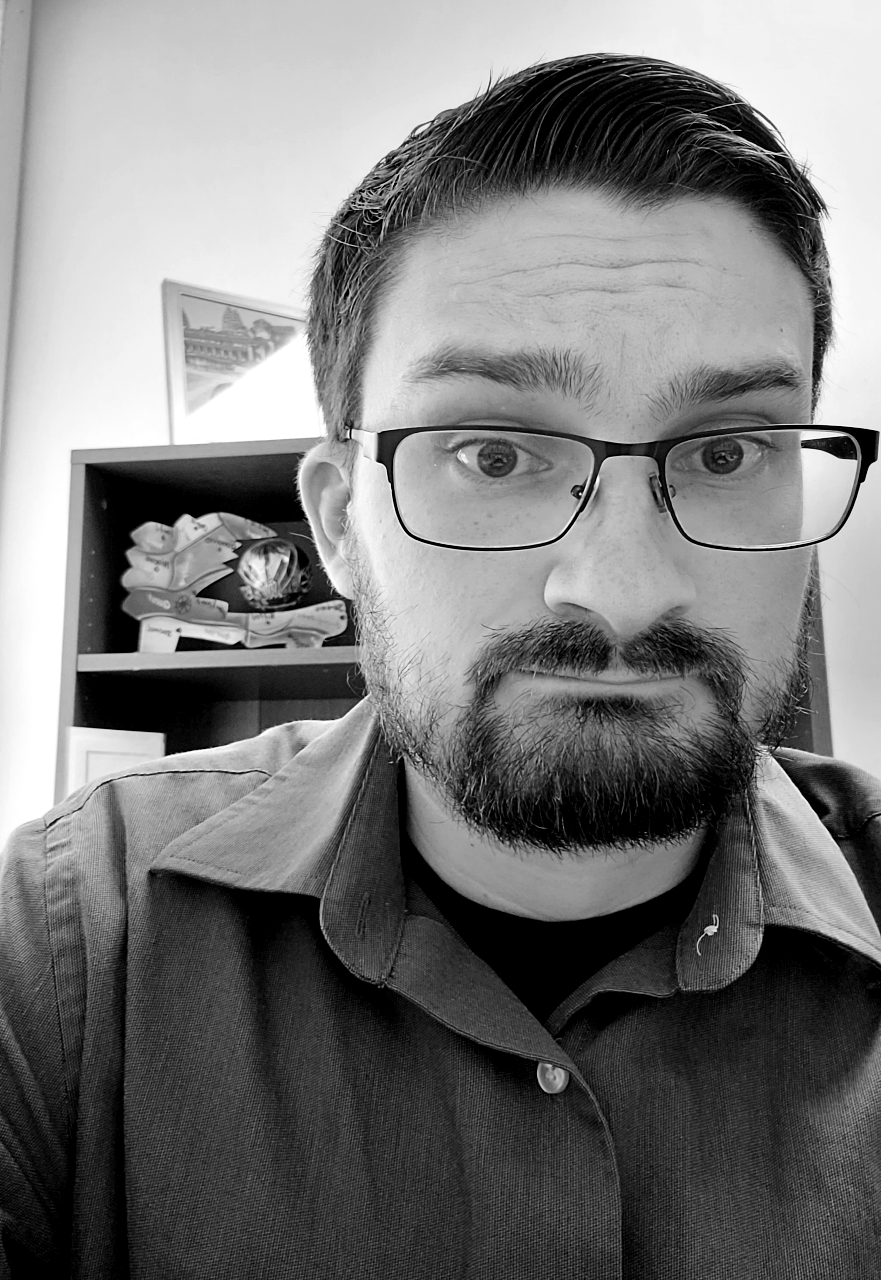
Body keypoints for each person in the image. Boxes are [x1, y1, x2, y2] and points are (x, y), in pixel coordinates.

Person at [2, 53, 880, 1280]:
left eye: (725, 451)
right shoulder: (65, 941)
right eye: (492, 453)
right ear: (337, 522)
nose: (620, 587)